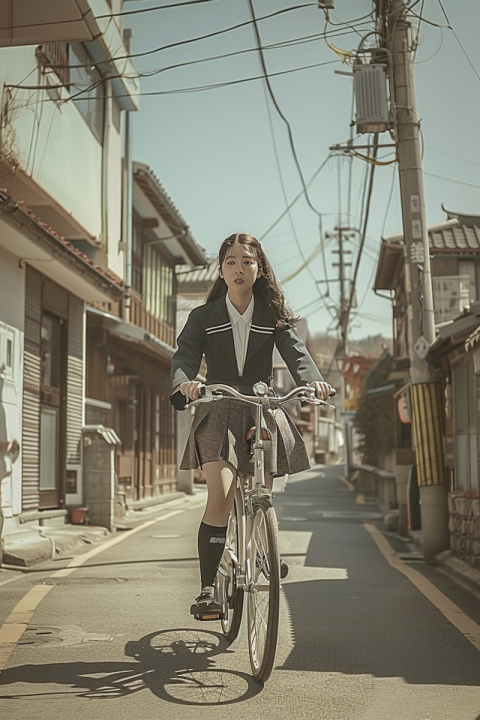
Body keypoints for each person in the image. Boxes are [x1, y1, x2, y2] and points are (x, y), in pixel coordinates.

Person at [170, 233, 332, 618]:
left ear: (259, 269)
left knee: (263, 492)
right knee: (221, 495)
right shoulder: (203, 317)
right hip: (219, 405)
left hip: (261, 406)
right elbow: (185, 356)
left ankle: (263, 547)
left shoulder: (271, 315)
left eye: (247, 261)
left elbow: (297, 354)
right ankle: (208, 590)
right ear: (221, 270)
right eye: (230, 261)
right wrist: (185, 384)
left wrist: (313, 383)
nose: (239, 268)